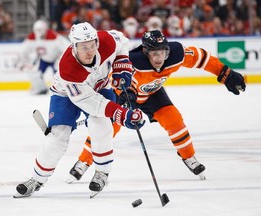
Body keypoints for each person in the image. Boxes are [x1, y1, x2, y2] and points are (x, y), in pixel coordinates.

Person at [66, 29, 246, 183]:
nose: (160, 58)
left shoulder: (176, 54)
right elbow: (124, 80)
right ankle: (83, 162)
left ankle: (189, 157)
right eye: (154, 53)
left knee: (174, 120)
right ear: (145, 52)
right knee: (106, 129)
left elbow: (202, 58)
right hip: (127, 95)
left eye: (162, 52)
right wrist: (126, 95)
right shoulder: (133, 60)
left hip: (153, 95)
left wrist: (225, 73)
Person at [14, 22, 145, 198]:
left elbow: (122, 40)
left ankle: (102, 172)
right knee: (58, 137)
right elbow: (92, 103)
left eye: (92, 45)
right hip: (65, 93)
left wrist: (122, 62)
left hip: (100, 87)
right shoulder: (68, 68)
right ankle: (37, 179)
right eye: (84, 47)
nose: (90, 50)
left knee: (101, 124)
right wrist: (120, 113)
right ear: (74, 46)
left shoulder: (105, 40)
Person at [19, 19, 70, 95]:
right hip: (44, 59)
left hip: (56, 59)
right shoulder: (31, 38)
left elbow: (66, 47)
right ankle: (40, 88)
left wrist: (62, 59)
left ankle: (64, 89)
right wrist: (24, 62)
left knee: (59, 75)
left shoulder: (54, 37)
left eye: (40, 30)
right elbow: (23, 51)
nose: (39, 32)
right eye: (37, 30)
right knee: (35, 72)